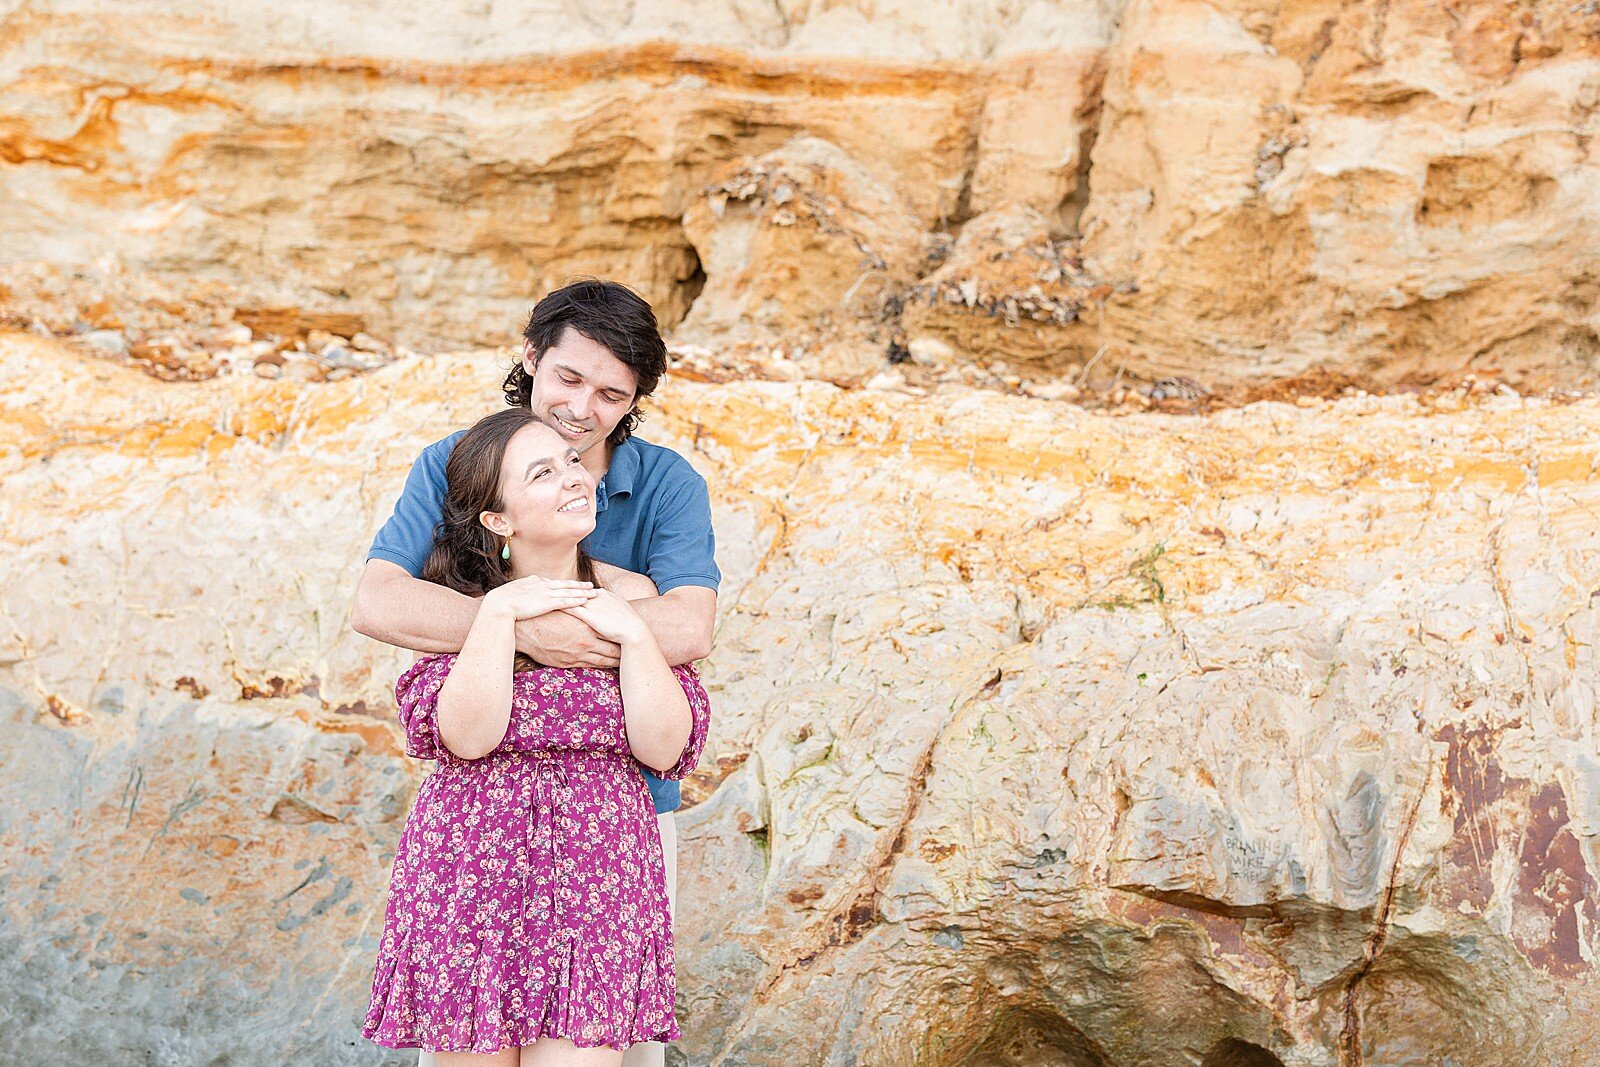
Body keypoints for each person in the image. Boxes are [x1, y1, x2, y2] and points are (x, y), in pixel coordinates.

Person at [352, 279, 720, 1067]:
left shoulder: (667, 486)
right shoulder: (458, 462)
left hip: (619, 827)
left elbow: (689, 625)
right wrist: (518, 622)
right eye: (569, 377)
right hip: (478, 837)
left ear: (634, 401)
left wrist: (571, 617)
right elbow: (379, 601)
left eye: (612, 394)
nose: (583, 409)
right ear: (532, 357)